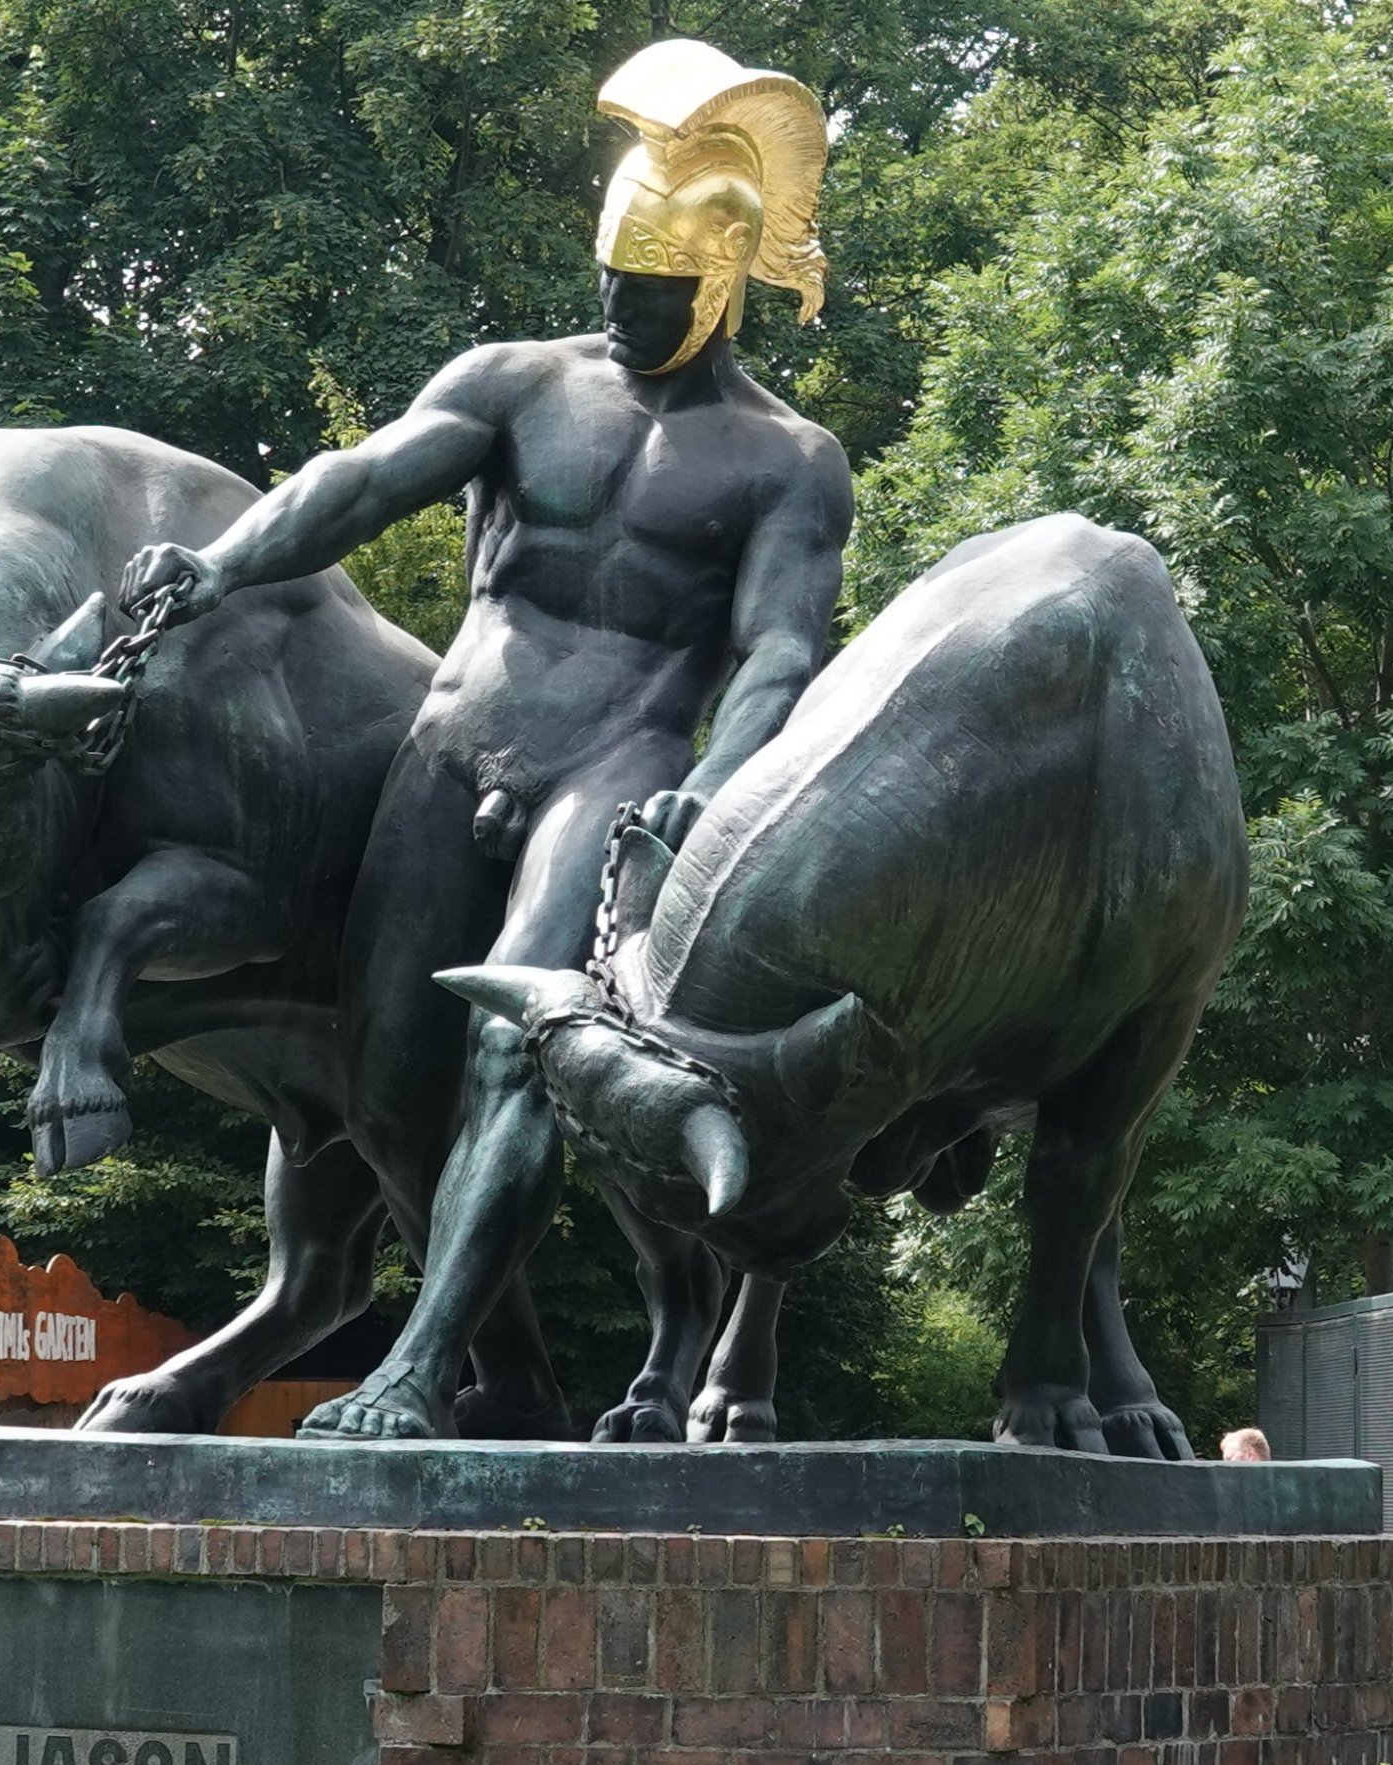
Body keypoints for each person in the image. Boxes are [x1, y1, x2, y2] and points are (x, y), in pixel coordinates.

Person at [120, 39, 853, 1441]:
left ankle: (415, 1368)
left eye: (655, 292)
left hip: (618, 767)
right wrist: (222, 564)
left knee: (523, 1048)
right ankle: (500, 1374)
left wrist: (700, 799)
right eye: (611, 283)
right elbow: (361, 480)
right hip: (453, 745)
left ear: (719, 284)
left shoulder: (786, 460)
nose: (623, 310)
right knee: (382, 1077)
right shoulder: (519, 382)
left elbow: (774, 652)